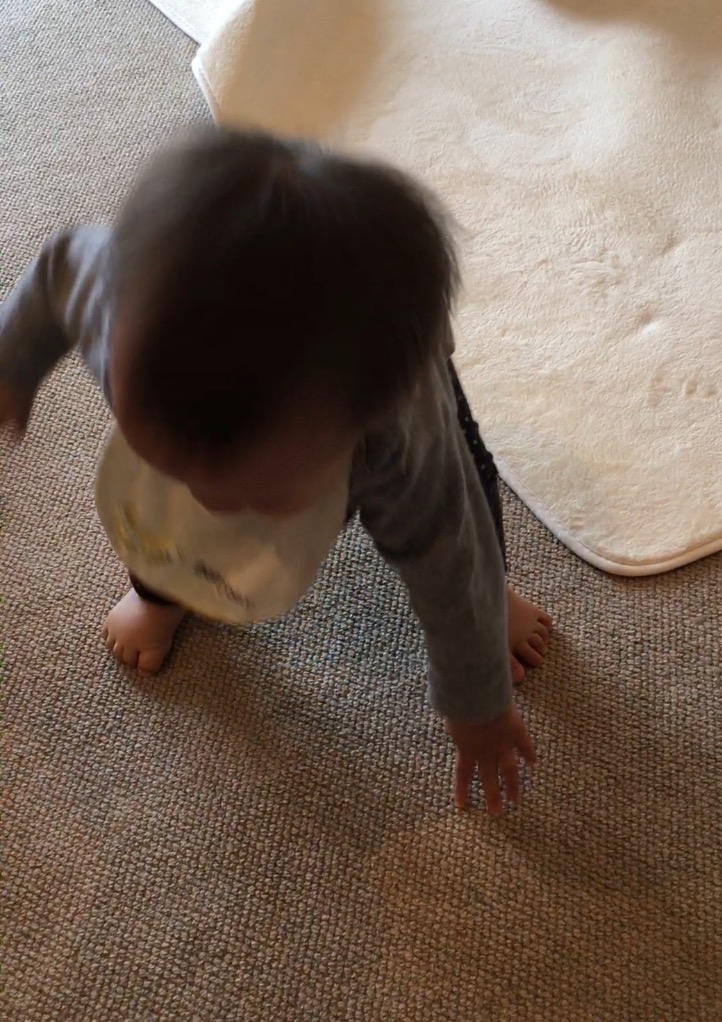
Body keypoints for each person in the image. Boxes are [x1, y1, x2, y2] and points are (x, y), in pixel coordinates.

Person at [0, 126, 551, 814]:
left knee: (467, 501)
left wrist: (479, 704)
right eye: (170, 451)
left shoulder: (395, 436)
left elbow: (450, 559)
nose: (207, 496)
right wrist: (13, 362)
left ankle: (501, 600)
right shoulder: (116, 304)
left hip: (406, 404)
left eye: (258, 493)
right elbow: (59, 268)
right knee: (159, 515)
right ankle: (160, 598)